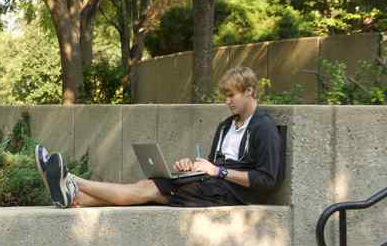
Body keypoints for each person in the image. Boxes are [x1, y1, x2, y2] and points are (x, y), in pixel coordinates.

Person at [35, 66, 283, 208]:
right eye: (225, 96)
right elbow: (212, 165)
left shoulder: (263, 128)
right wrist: (195, 166)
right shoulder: (226, 126)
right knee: (147, 188)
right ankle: (72, 196)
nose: (227, 101)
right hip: (211, 186)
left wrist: (218, 172)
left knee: (148, 189)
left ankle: (72, 181)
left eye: (232, 95)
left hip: (229, 196)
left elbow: (266, 180)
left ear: (249, 91)